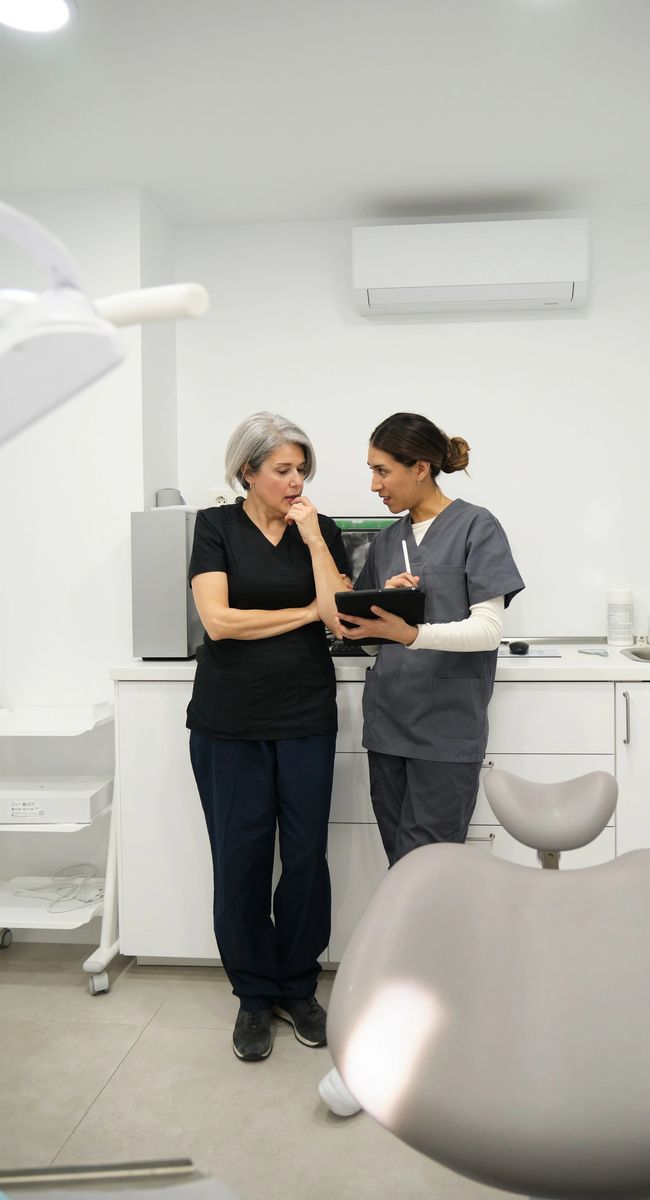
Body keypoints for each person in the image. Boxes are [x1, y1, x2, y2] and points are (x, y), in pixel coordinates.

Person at [187, 411, 349, 1063]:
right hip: (230, 721)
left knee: (307, 856)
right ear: (246, 470)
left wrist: (313, 541)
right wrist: (308, 611)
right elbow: (219, 622)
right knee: (242, 857)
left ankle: (298, 986)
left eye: (302, 468)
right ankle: (254, 996)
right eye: (282, 469)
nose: (295, 479)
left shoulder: (323, 527)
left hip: (306, 713)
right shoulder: (216, 526)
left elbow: (340, 615)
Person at [339, 411, 525, 865]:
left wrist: (411, 631)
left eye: (382, 471)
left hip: (445, 731)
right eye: (371, 472)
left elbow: (487, 630)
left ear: (420, 467)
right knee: (400, 866)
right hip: (387, 728)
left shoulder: (476, 527)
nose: (374, 485)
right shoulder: (386, 542)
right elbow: (366, 638)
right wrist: (383, 613)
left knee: (431, 872)